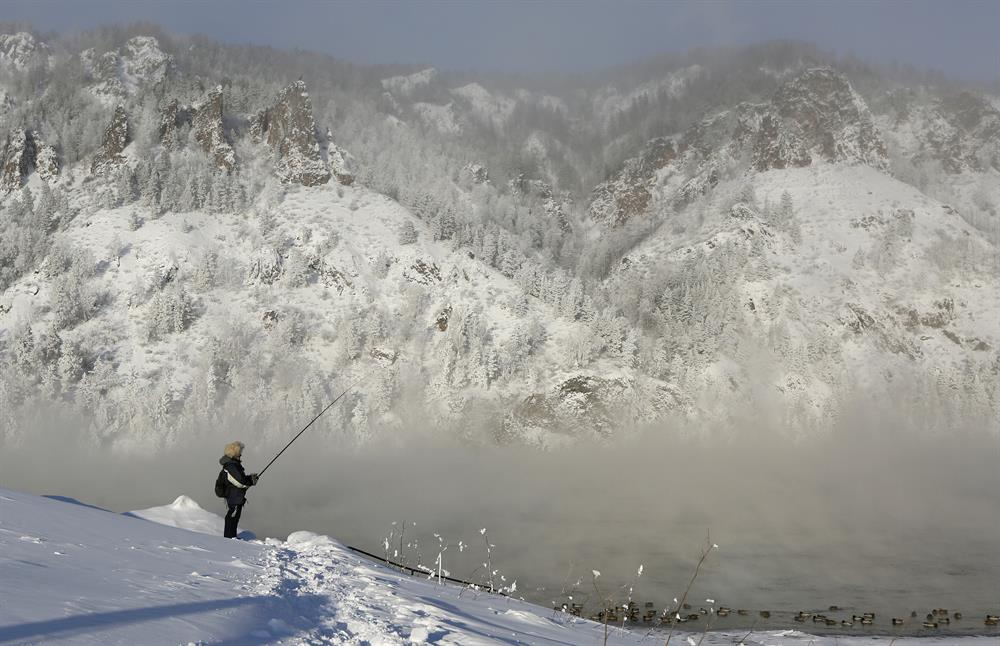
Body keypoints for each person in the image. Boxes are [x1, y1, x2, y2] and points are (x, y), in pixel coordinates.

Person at [219, 441, 259, 538]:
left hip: (234, 494)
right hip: (234, 495)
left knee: (234, 516)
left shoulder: (232, 465)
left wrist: (250, 479)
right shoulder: (231, 466)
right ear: (234, 453)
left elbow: (239, 479)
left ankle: (231, 537)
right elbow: (239, 482)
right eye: (239, 452)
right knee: (232, 515)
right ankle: (229, 538)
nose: (241, 454)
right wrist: (250, 481)